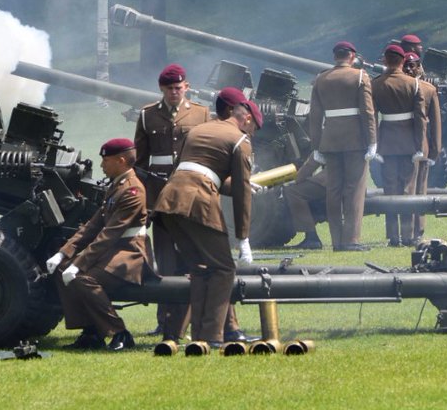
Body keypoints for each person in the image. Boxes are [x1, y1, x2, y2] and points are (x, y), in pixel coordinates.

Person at [153, 87, 259, 348]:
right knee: (224, 269)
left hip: (170, 199)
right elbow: (241, 191)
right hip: (198, 203)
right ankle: (212, 336)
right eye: (254, 128)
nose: (252, 134)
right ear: (247, 119)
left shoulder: (199, 129)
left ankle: (192, 336)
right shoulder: (240, 140)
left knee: (200, 269)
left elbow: (202, 170)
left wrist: (241, 184)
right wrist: (243, 237)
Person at [46, 138, 152, 351]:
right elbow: (92, 227)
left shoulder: (132, 190)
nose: (102, 165)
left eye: (106, 160)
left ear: (121, 161)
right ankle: (91, 331)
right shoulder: (117, 186)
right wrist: (63, 254)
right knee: (61, 271)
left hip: (129, 252)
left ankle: (119, 333)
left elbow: (109, 234)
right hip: (113, 250)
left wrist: (79, 263)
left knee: (84, 278)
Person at [133, 63, 209, 342]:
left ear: (186, 86)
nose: (175, 92)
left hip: (190, 193)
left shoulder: (201, 114)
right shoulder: (147, 116)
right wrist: (144, 201)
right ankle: (164, 319)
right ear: (162, 90)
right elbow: (139, 163)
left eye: (179, 87)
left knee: (192, 258)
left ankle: (190, 320)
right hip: (159, 194)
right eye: (169, 89)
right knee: (165, 261)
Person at [305, 41, 377, 251]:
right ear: (352, 56)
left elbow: (315, 116)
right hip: (355, 141)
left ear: (335, 56)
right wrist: (372, 141)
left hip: (330, 141)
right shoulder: (360, 76)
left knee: (333, 191)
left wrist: (316, 146)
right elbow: (368, 112)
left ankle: (337, 240)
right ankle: (351, 240)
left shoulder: (321, 79)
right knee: (354, 189)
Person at [370, 45, 427, 247]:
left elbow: (372, 118)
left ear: (385, 60)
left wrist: (374, 144)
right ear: (403, 61)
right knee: (407, 189)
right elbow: (421, 118)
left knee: (390, 189)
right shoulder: (413, 84)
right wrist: (420, 146)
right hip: (409, 142)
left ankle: (394, 236)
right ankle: (409, 234)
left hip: (386, 142)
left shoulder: (375, 84)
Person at [403, 51, 441, 244]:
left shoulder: (428, 88)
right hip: (401, 144)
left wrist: (435, 150)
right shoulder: (399, 86)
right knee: (403, 189)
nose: (409, 69)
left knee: (420, 189)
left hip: (422, 145)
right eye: (406, 66)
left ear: (419, 67)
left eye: (413, 65)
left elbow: (435, 123)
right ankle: (403, 232)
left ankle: (418, 231)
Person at [284, 149, 327, 250]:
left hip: (330, 180)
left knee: (292, 191)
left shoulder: (324, 138)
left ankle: (311, 237)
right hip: (347, 178)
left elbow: (311, 165)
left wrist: (295, 180)